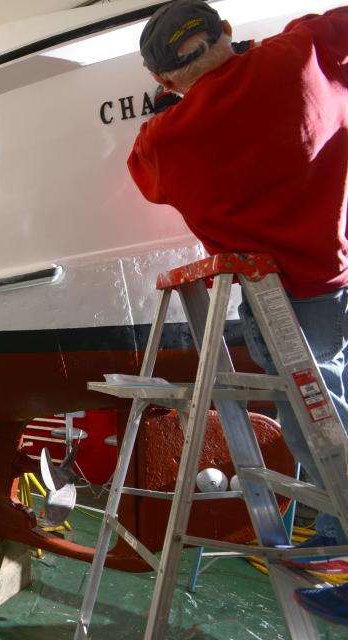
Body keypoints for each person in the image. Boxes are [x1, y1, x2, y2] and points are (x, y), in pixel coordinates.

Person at [128, 0, 348, 624]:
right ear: (227, 31)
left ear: (164, 81)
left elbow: (144, 174)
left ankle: (347, 547)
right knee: (336, 400)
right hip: (337, 269)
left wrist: (172, 108)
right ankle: (335, 534)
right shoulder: (298, 51)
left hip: (287, 295)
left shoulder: (171, 136)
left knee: (316, 423)